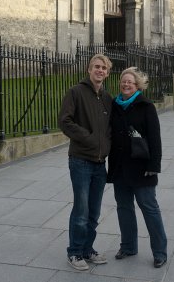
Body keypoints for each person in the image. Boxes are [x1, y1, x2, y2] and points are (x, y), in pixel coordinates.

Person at [107, 67, 168, 268]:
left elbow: (155, 138)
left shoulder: (146, 105)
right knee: (124, 208)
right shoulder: (114, 105)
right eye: (123, 81)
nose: (126, 85)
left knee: (149, 208)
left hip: (142, 168)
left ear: (137, 86)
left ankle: (159, 252)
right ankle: (128, 246)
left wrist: (154, 165)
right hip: (120, 168)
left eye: (130, 83)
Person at [58, 53, 113, 271]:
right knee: (81, 210)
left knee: (94, 211)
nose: (100, 70)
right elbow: (65, 121)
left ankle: (88, 249)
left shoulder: (107, 98)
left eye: (104, 68)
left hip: (100, 163)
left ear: (107, 73)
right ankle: (74, 252)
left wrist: (106, 144)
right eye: (96, 67)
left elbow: (110, 128)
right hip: (81, 160)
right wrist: (89, 139)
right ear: (89, 70)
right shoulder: (76, 92)